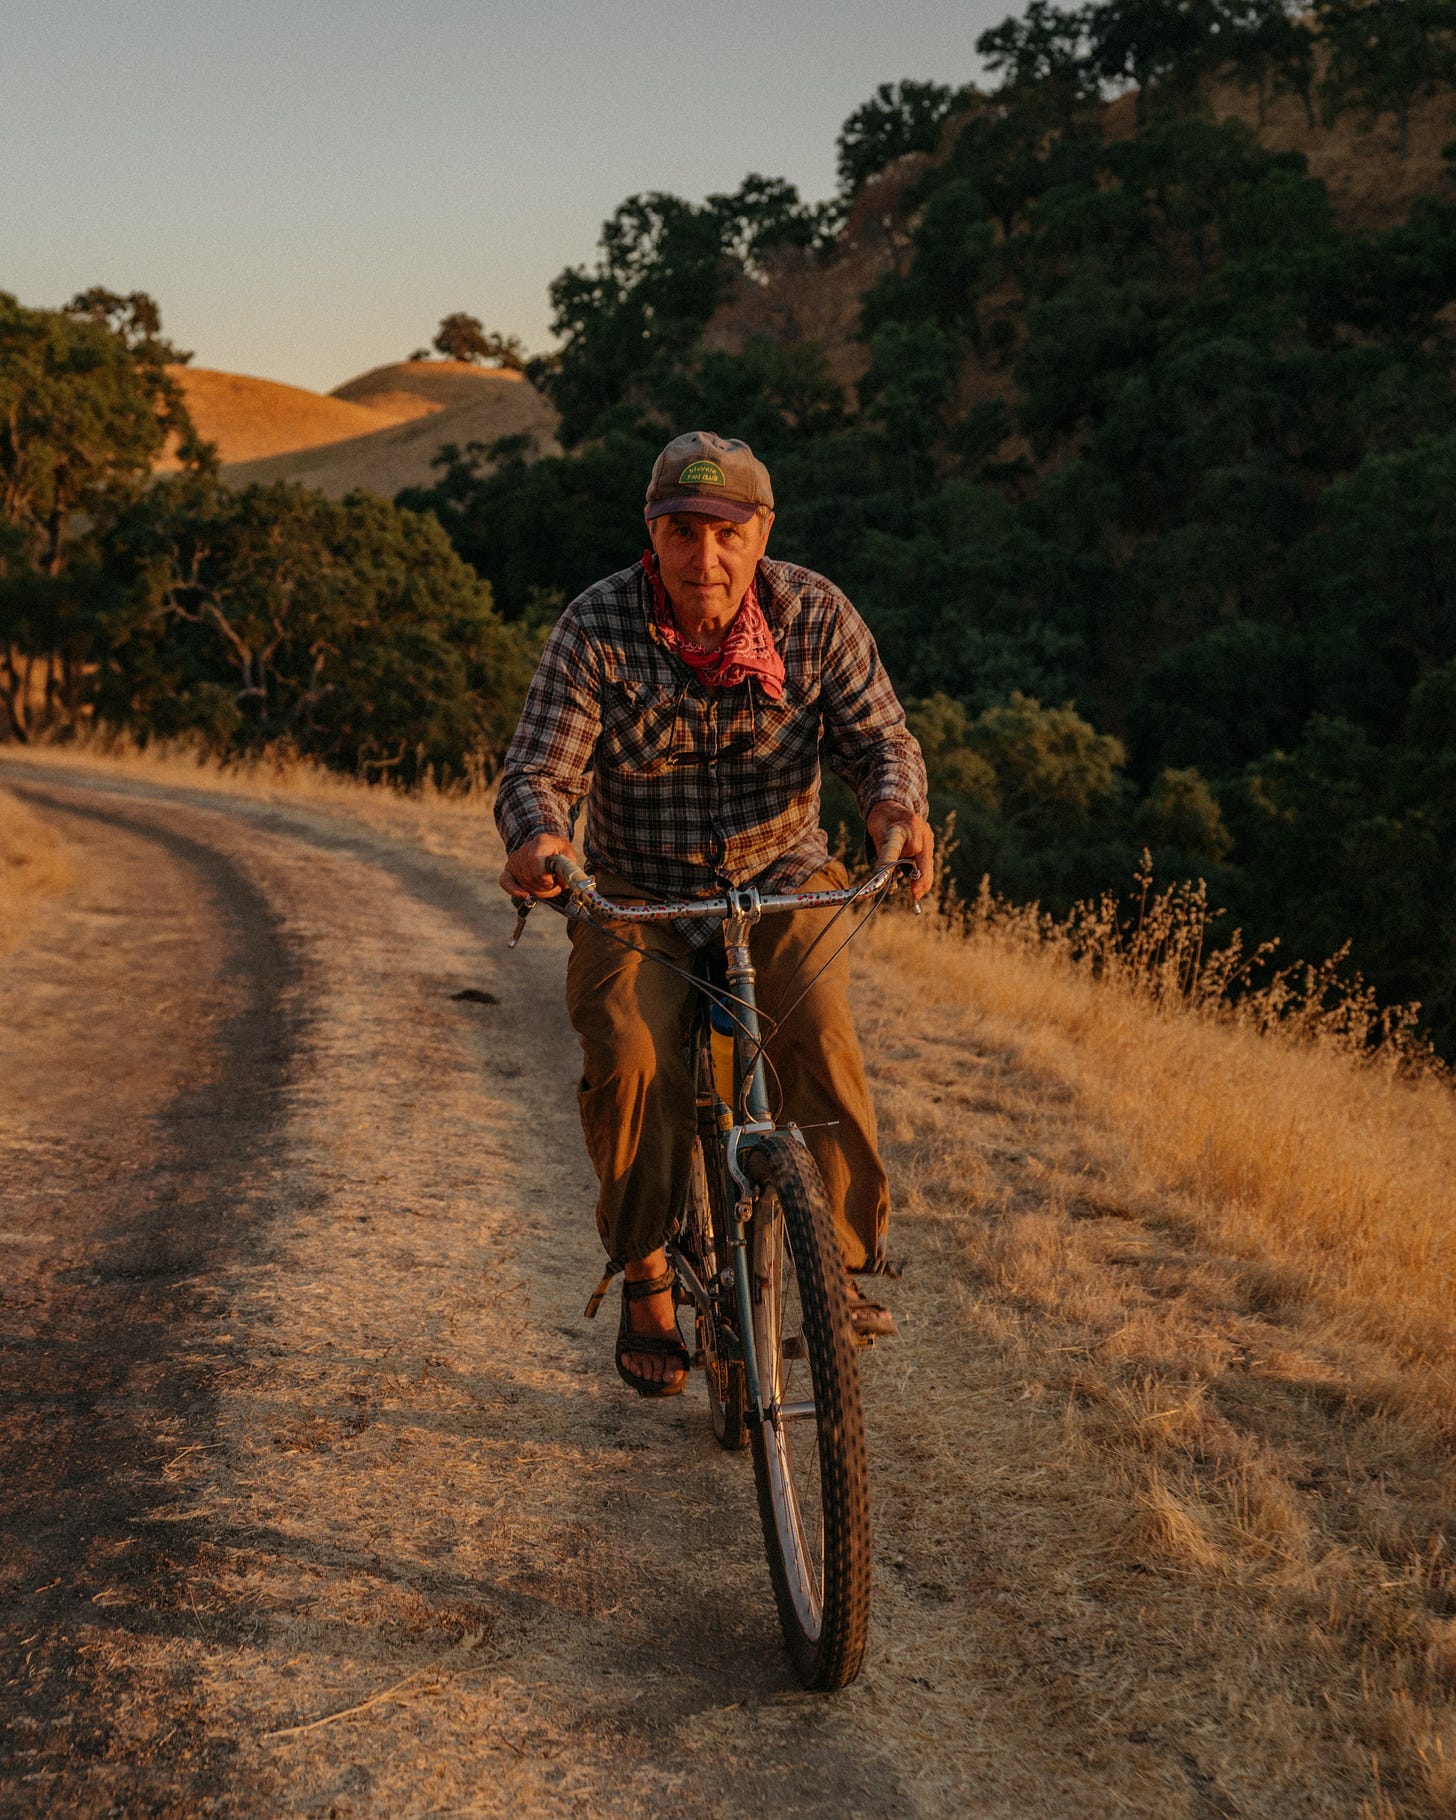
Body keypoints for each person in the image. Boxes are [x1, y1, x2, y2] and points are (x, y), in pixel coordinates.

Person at [495, 430, 932, 1397]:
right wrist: (541, 840)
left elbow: (879, 740)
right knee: (628, 1052)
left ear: (761, 533)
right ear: (651, 533)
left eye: (727, 533)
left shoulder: (815, 614)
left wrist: (896, 811)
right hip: (639, 891)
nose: (706, 557)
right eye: (683, 532)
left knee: (818, 1034)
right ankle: (647, 1269)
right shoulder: (596, 624)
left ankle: (840, 1265)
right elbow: (538, 769)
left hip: (783, 876)